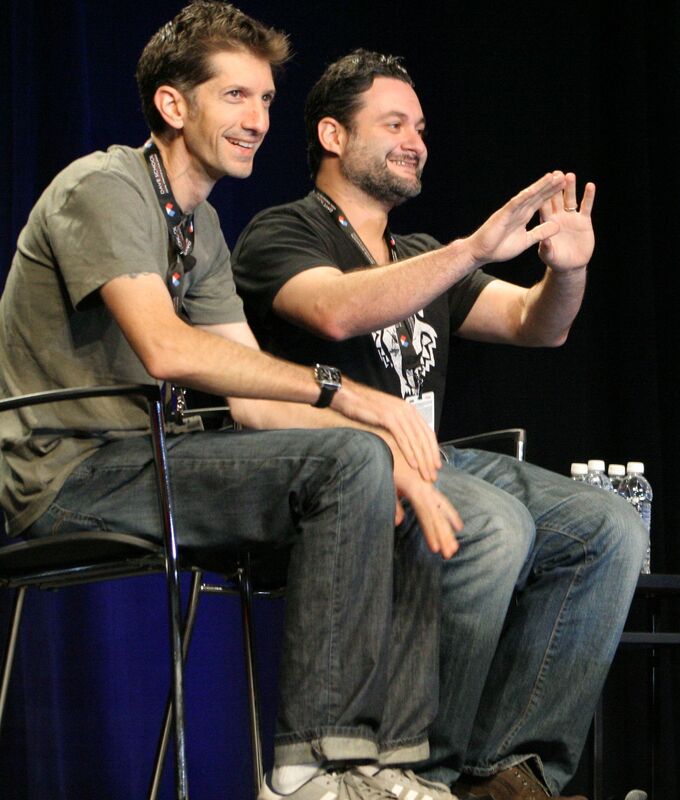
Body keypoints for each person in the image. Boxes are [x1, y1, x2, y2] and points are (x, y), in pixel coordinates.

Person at [0, 5, 466, 800]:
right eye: (236, 98)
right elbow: (169, 349)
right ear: (174, 106)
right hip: (69, 476)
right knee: (353, 454)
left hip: (150, 457)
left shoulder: (201, 225)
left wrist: (385, 447)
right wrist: (345, 394)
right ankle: (315, 769)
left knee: (379, 467)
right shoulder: (105, 187)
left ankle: (387, 765)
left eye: (265, 101)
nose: (257, 122)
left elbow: (249, 397)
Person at [231, 50, 647, 800]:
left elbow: (533, 324)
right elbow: (333, 308)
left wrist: (569, 270)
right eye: (393, 123)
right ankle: (424, 772)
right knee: (491, 522)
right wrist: (471, 251)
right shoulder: (282, 232)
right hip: (337, 474)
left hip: (434, 462)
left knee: (607, 527)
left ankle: (512, 771)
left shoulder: (422, 255)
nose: (415, 140)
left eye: (420, 126)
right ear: (332, 134)